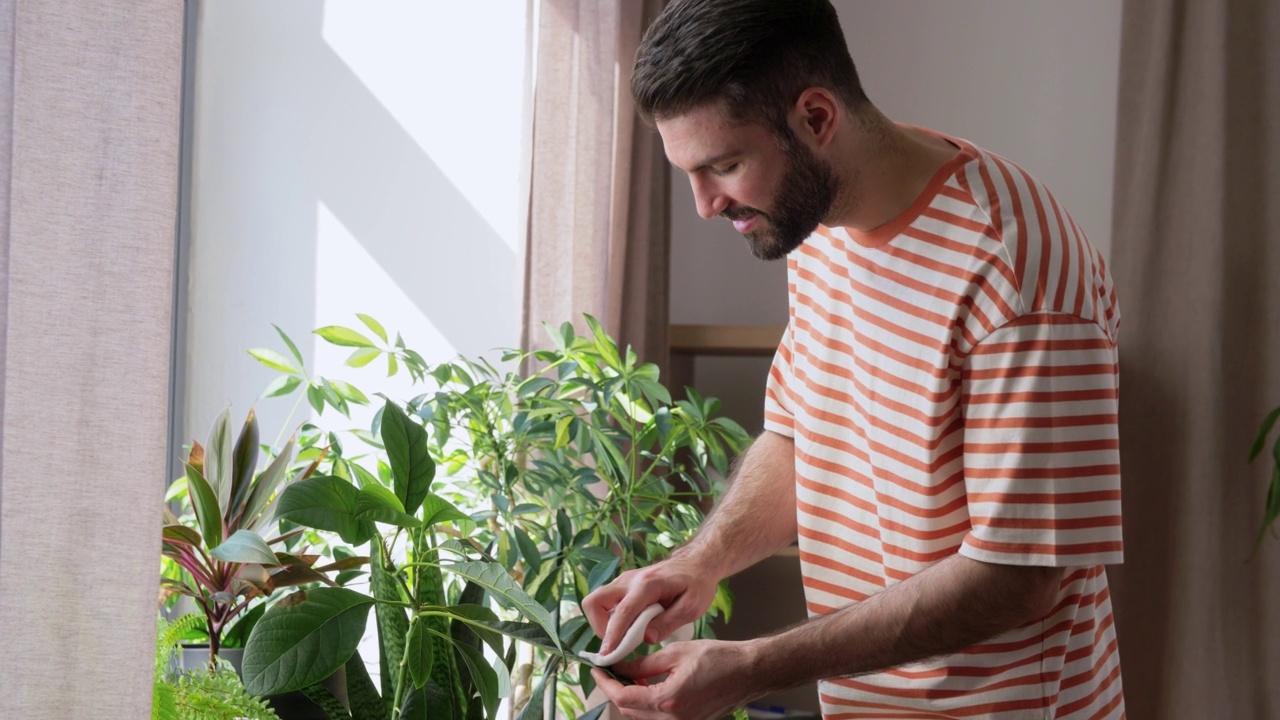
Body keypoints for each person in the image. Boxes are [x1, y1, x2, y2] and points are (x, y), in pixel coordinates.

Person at [581, 1, 1126, 718]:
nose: (705, 206)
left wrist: (750, 666)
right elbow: (803, 437)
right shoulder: (817, 227)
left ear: (815, 118)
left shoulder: (1015, 269)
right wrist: (697, 563)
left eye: (724, 165)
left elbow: (1018, 578)